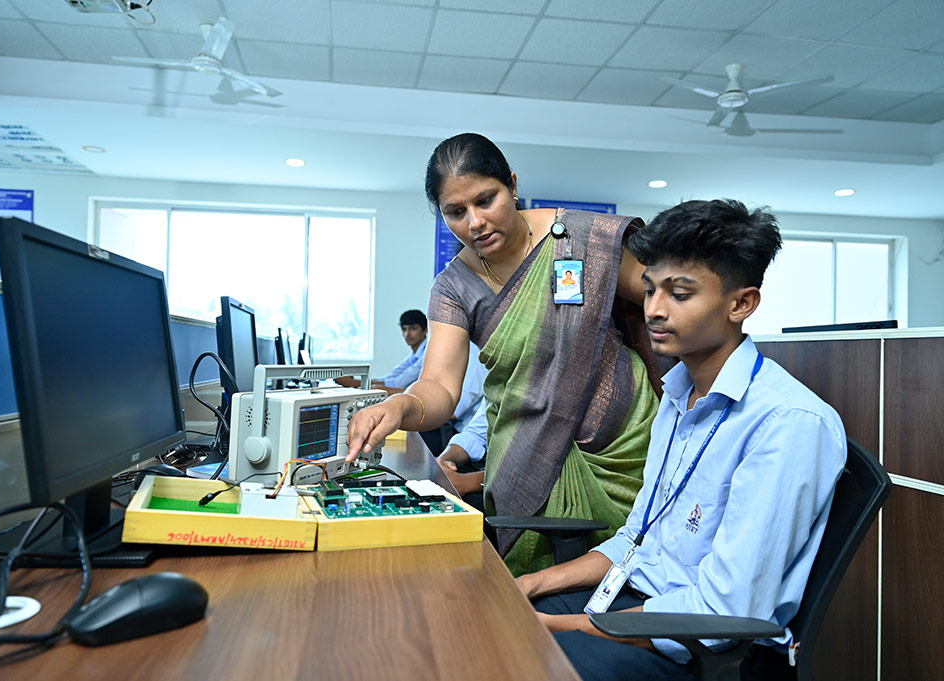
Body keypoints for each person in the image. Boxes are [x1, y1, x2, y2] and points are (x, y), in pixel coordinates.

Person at [518, 199, 846, 681]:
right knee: (491, 620)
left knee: (514, 655)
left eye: (680, 294)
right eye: (650, 289)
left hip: (697, 647)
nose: (654, 309)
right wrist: (529, 585)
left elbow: (722, 611)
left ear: (741, 304)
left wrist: (559, 626)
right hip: (633, 601)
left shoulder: (786, 423)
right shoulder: (677, 395)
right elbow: (636, 539)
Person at [347, 132, 672, 576]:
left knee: (646, 575)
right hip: (530, 455)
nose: (475, 223)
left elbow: (666, 306)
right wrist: (400, 405)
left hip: (630, 449)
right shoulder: (454, 287)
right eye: (455, 212)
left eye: (486, 200)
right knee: (528, 595)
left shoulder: (582, 239)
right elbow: (439, 384)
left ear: (513, 185)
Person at [336, 309, 428, 395]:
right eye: (404, 329)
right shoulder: (414, 355)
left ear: (425, 330)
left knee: (376, 390)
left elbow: (399, 383)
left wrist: (353, 382)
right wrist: (359, 382)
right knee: (374, 388)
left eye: (413, 329)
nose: (407, 334)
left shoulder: (427, 354)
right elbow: (390, 377)